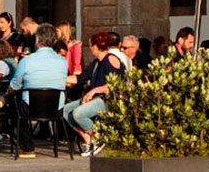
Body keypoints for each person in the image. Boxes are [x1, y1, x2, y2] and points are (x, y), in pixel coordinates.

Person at [63, 34, 132, 154]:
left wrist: (93, 91)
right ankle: (87, 137)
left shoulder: (111, 59)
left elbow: (114, 84)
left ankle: (97, 138)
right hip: (95, 98)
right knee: (65, 110)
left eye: (90, 45)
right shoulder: (96, 63)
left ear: (95, 46)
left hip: (107, 99)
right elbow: (80, 78)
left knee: (78, 113)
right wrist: (60, 79)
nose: (89, 48)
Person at [7, 22, 68, 157]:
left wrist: (10, 90)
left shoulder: (27, 61)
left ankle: (27, 147)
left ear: (38, 40)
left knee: (14, 104)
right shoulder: (62, 61)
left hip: (31, 107)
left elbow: (16, 84)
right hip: (55, 108)